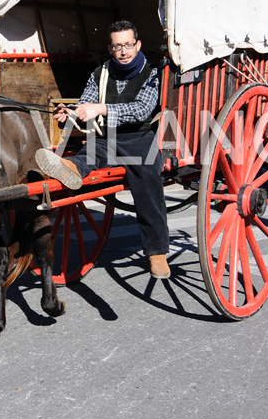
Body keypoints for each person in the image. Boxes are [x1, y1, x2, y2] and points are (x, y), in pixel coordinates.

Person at [34, 20, 171, 279]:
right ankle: (69, 168)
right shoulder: (101, 73)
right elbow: (86, 102)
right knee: (89, 152)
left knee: (147, 180)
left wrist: (102, 108)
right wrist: (71, 113)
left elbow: (142, 109)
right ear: (110, 48)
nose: (123, 51)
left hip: (140, 138)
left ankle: (156, 251)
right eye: (117, 46)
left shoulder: (152, 72)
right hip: (107, 137)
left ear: (138, 44)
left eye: (128, 45)